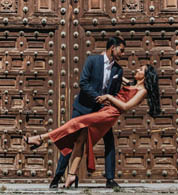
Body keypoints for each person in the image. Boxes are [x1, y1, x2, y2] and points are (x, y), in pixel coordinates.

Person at [26, 63, 162, 189]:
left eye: (141, 70)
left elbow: (126, 107)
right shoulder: (131, 83)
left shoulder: (143, 91)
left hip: (110, 114)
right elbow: (115, 75)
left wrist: (109, 97)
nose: (137, 70)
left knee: (75, 122)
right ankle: (72, 175)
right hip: (105, 111)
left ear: (146, 76)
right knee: (80, 139)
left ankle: (41, 138)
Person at [44, 36, 126, 189]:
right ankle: (58, 177)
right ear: (112, 47)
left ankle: (110, 179)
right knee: (71, 141)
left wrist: (109, 103)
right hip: (83, 108)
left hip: (101, 113)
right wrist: (98, 97)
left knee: (109, 142)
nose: (123, 54)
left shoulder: (118, 70)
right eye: (121, 50)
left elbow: (114, 93)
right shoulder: (92, 61)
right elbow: (83, 82)